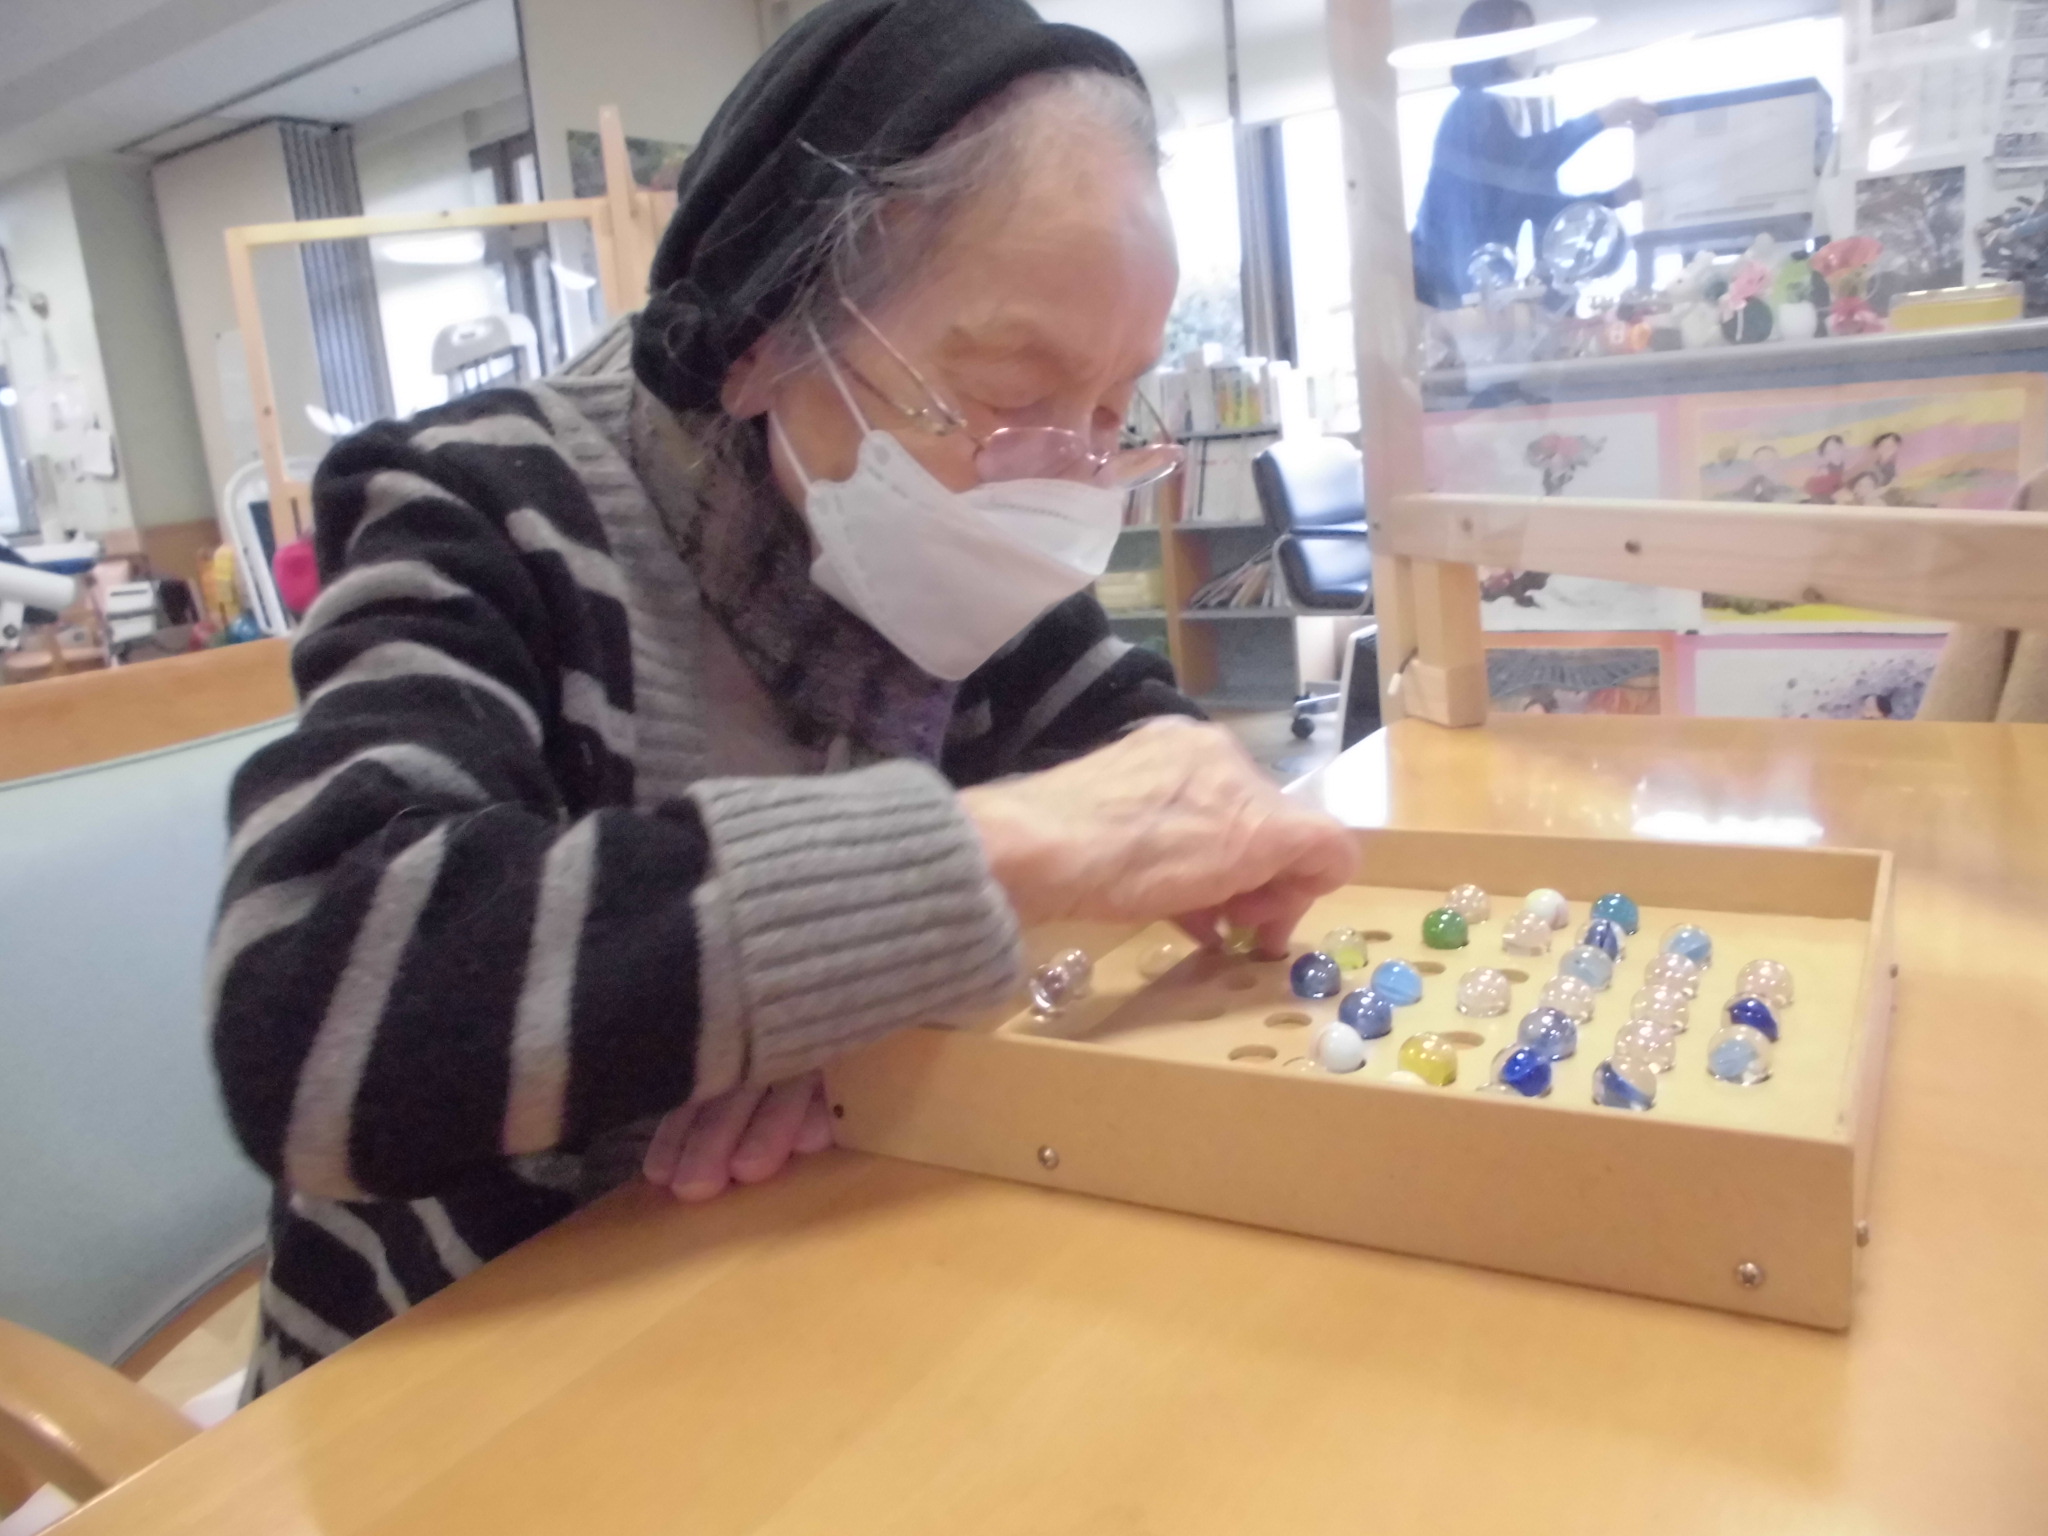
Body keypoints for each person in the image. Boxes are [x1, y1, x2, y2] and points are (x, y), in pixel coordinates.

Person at [207, 0, 1357, 1396]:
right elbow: (315, 1011)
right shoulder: (483, 507)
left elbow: (1152, 768)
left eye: (1114, 412)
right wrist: (966, 867)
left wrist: (837, 1002)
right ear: (762, 335)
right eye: (1009, 390)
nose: (1061, 474)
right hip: (461, 1373)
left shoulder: (959, 550)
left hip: (795, 1313)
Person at [1410, 0, 1658, 308]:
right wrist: (1598, 120)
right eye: (1519, 32)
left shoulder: (1502, 112)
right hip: (1445, 287)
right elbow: (1521, 162)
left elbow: (1537, 203)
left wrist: (1613, 197)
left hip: (1470, 290)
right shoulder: (1472, 108)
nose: (1530, 45)